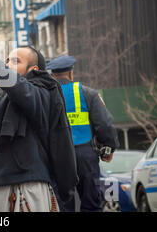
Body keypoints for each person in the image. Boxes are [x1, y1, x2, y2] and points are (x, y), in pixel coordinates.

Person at [0, 40, 77, 212]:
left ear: (33, 70)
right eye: (7, 60)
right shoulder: (2, 95)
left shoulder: (43, 92)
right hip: (0, 183)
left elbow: (19, 89)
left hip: (30, 185)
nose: (8, 64)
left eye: (15, 61)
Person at [46, 55, 120, 212]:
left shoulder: (46, 96)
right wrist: (109, 148)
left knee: (63, 205)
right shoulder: (87, 93)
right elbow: (104, 125)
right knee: (91, 203)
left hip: (58, 157)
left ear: (53, 75)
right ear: (71, 73)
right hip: (85, 155)